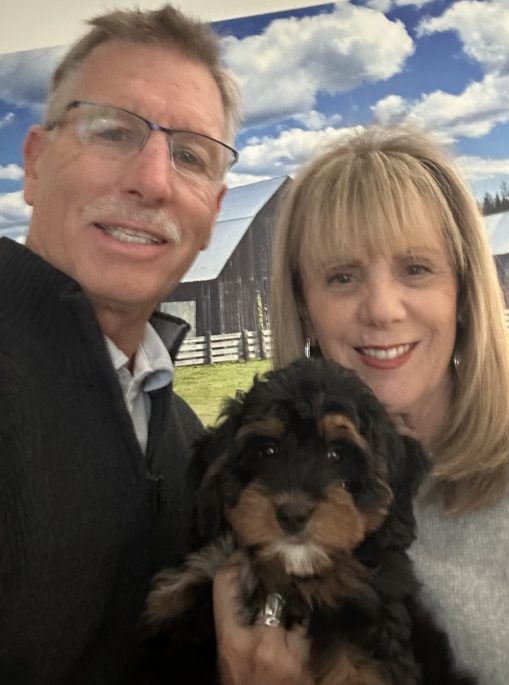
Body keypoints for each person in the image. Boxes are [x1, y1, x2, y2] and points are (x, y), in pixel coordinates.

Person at [259, 126, 509, 684]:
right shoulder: (270, 508)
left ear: (463, 291)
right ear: (304, 307)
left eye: (416, 269)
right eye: (342, 277)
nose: (382, 309)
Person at [0, 5, 242, 683]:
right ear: (35, 163)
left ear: (213, 214)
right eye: (113, 131)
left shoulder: (186, 438)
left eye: (189, 155)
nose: (153, 180)